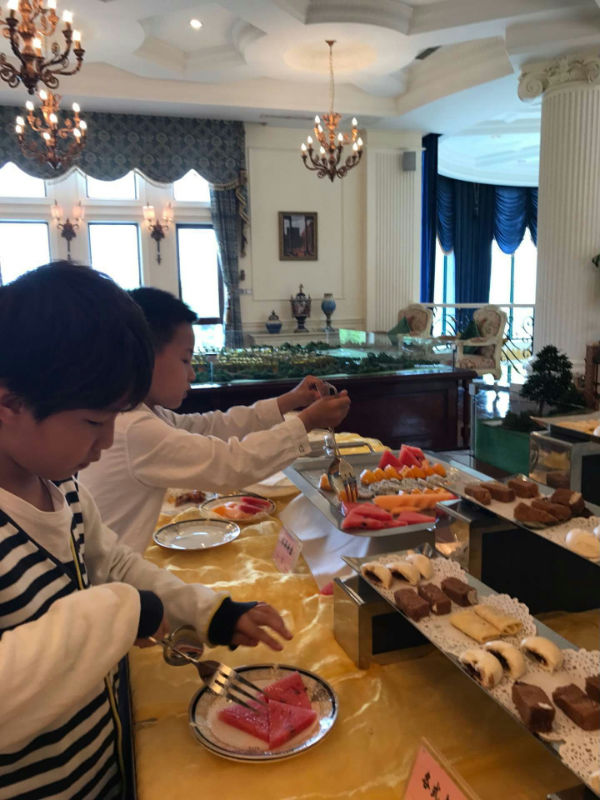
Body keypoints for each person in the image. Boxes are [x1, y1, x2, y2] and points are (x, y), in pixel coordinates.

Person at [0, 262, 292, 800]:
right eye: (94, 422)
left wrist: (210, 612)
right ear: (10, 403)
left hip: (102, 771)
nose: (108, 442)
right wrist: (123, 611)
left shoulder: (61, 488)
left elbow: (114, 564)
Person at [80, 287, 350, 552]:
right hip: (109, 576)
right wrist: (305, 422)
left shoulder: (145, 413)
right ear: (145, 358)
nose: (192, 374)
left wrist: (288, 401)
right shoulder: (134, 428)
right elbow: (230, 464)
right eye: (185, 360)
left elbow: (210, 426)